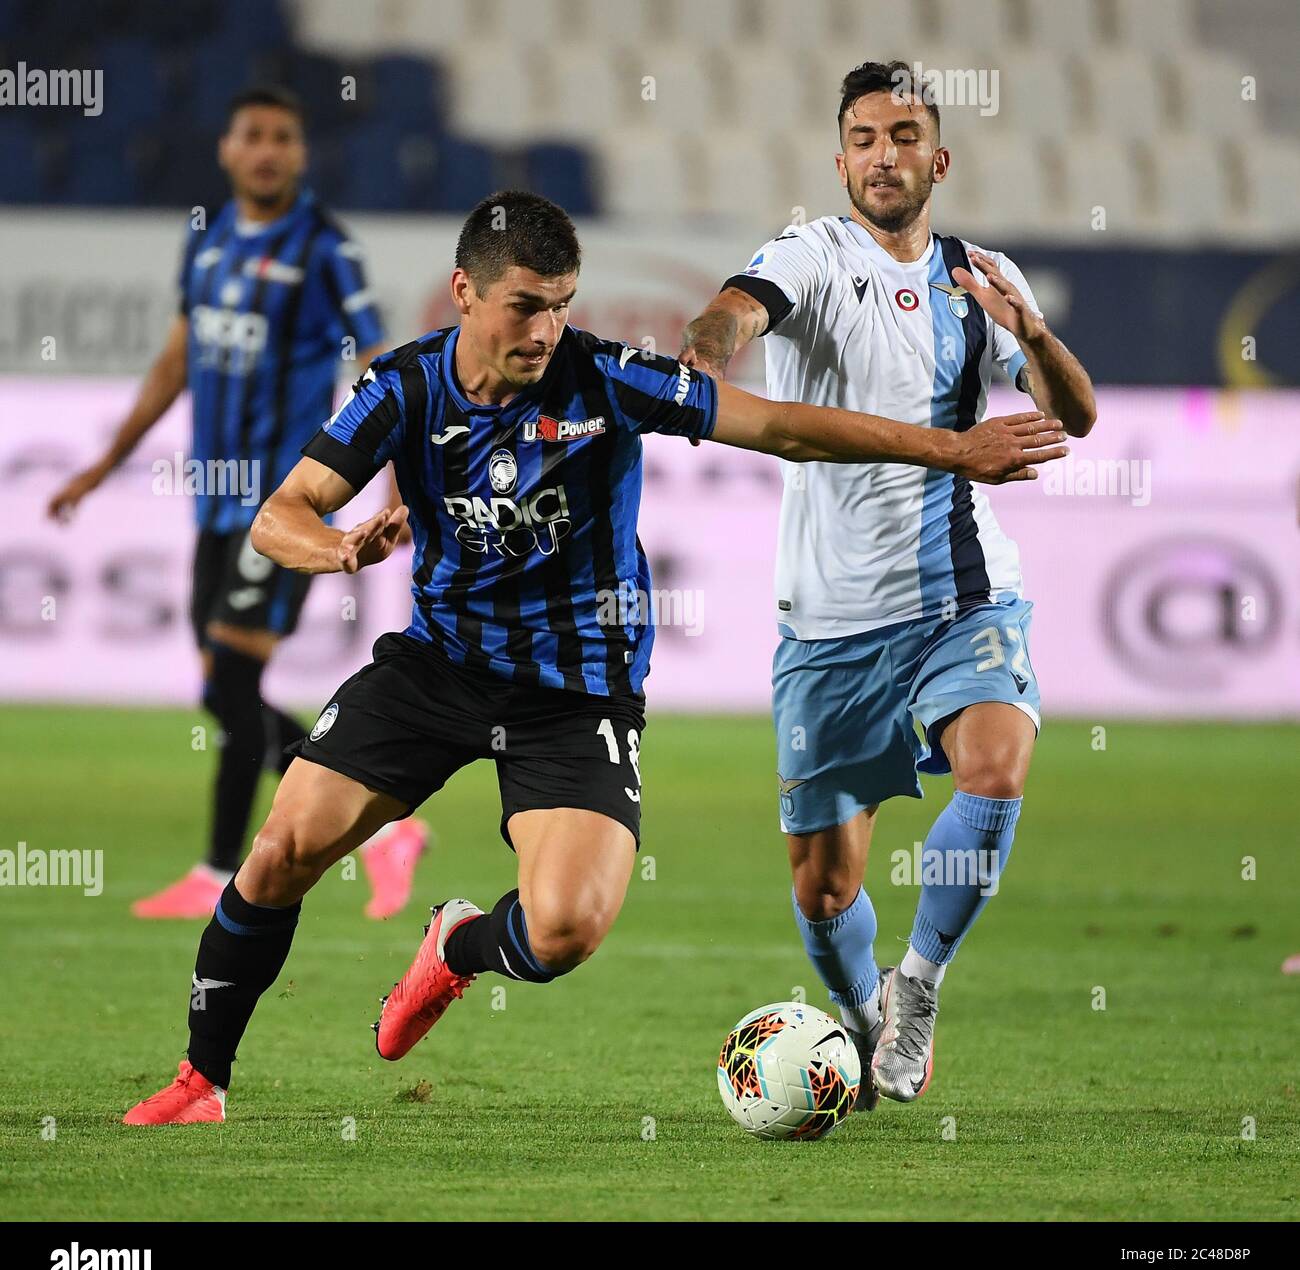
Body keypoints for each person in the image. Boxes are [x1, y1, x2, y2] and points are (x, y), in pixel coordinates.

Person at [121, 188, 1066, 1125]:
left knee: (565, 930)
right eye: (526, 305)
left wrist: (951, 448)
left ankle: (457, 949)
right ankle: (201, 1081)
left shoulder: (608, 378)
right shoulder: (403, 385)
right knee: (281, 849)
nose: (546, 329)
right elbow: (281, 513)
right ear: (465, 291)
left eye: (563, 303)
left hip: (578, 697)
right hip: (434, 669)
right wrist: (339, 547)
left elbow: (781, 427)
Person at [679, 60, 1097, 1108]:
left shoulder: (982, 277)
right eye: (864, 138)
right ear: (840, 159)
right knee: (822, 890)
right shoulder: (808, 255)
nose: (883, 155)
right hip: (827, 621)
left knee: (995, 767)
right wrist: (708, 348)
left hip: (960, 591)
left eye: (903, 135)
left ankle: (919, 984)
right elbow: (733, 313)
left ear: (937, 157)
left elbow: (1075, 415)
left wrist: (1032, 332)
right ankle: (863, 1016)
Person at [47, 86, 425, 922]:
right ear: (226, 149)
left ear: (301, 154)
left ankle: (221, 865)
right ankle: (385, 825)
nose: (267, 151)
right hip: (214, 506)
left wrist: (398, 487)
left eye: (282, 138)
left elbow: (385, 360)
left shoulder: (326, 247)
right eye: (252, 135)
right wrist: (102, 465)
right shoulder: (209, 239)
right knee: (222, 688)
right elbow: (177, 358)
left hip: (282, 504)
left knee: (235, 678)